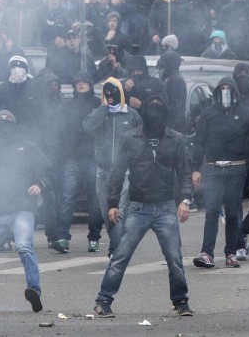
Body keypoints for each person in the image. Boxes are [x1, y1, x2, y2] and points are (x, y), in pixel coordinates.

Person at [93, 96, 194, 318]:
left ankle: (181, 301)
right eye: (151, 109)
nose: (154, 114)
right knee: (121, 255)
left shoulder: (175, 139)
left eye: (159, 109)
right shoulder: (130, 139)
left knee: (174, 258)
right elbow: (117, 173)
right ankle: (103, 299)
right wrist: (112, 204)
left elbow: (184, 172)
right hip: (138, 206)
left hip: (166, 206)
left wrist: (184, 200)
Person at [0, 110, 50, 313]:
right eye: (0, 121)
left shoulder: (28, 148)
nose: (4, 124)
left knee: (23, 246)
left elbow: (48, 171)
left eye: (8, 120)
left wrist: (40, 184)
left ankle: (34, 291)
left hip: (21, 210)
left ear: (15, 124)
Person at [191, 77, 249, 269]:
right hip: (213, 168)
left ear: (235, 91)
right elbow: (200, 141)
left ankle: (231, 252)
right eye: (222, 88)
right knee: (211, 211)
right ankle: (207, 253)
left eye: (229, 88)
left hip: (236, 168)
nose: (225, 91)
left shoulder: (246, 114)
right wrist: (196, 168)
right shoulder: (208, 114)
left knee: (232, 213)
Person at [82, 78, 142, 259]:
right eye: (106, 92)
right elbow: (87, 127)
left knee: (119, 211)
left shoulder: (131, 115)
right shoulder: (99, 114)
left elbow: (141, 140)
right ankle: (121, 246)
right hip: (103, 171)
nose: (110, 95)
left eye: (113, 91)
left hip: (124, 172)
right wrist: (103, 108)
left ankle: (116, 251)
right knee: (106, 212)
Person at [50, 72, 101, 254]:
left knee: (95, 201)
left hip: (94, 158)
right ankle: (62, 237)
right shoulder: (67, 106)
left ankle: (94, 238)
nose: (80, 85)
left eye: (84, 82)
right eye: (77, 82)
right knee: (67, 198)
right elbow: (60, 132)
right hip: (72, 158)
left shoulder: (98, 104)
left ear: (90, 84)